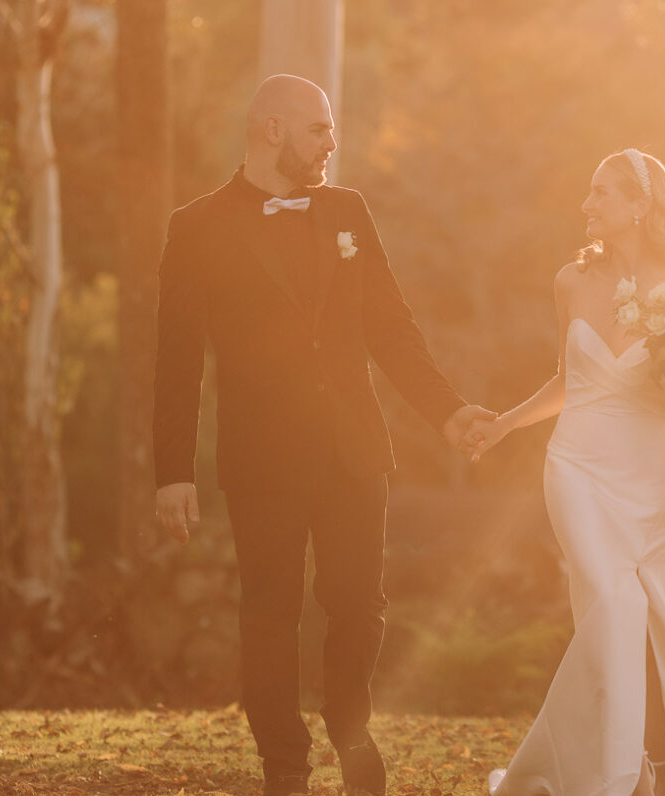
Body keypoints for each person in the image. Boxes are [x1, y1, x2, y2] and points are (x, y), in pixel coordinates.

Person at [151, 74, 494, 796]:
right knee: (270, 612)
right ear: (271, 129)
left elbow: (391, 329)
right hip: (261, 457)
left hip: (351, 447)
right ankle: (285, 764)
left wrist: (447, 410)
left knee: (359, 605)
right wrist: (172, 471)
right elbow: (178, 358)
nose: (332, 143)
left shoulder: (349, 211)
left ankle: (351, 732)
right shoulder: (197, 226)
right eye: (319, 130)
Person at [468, 149, 665, 795]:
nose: (587, 206)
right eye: (589, 193)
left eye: (602, 193)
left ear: (641, 206)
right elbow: (566, 379)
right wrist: (504, 422)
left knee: (655, 615)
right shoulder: (570, 282)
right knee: (612, 604)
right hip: (577, 464)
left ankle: (662, 769)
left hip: (653, 472)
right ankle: (615, 778)